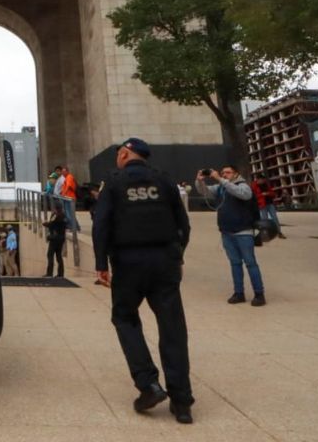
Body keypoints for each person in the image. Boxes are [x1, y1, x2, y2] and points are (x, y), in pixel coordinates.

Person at [94, 138, 193, 425]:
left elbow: (102, 225)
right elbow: (183, 224)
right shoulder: (164, 180)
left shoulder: (113, 182)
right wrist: (178, 256)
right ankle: (182, 401)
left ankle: (148, 383)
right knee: (173, 328)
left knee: (125, 318)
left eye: (118, 154)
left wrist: (101, 264)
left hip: (127, 264)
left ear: (125, 154)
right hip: (165, 263)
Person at [195, 166, 265, 306]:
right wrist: (200, 181)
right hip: (227, 232)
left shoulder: (243, 186)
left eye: (228, 173)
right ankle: (239, 293)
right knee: (235, 263)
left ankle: (259, 294)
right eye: (223, 173)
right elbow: (205, 192)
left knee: (250, 263)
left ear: (236, 174)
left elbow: (243, 194)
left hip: (243, 231)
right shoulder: (221, 188)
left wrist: (220, 179)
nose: (224, 175)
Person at [251, 174, 286, 240]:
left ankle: (279, 232)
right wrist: (262, 195)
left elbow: (273, 193)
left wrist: (268, 194)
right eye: (262, 180)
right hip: (261, 205)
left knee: (275, 218)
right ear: (258, 180)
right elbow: (253, 197)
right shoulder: (253, 186)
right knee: (265, 220)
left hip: (270, 204)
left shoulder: (266, 185)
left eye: (264, 180)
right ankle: (266, 233)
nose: (263, 181)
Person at [43, 204, 68, 277]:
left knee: (50, 255)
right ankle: (61, 273)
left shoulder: (55, 215)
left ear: (55, 208)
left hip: (54, 239)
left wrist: (45, 224)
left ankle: (49, 273)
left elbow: (51, 224)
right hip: (61, 238)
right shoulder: (63, 216)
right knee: (59, 256)